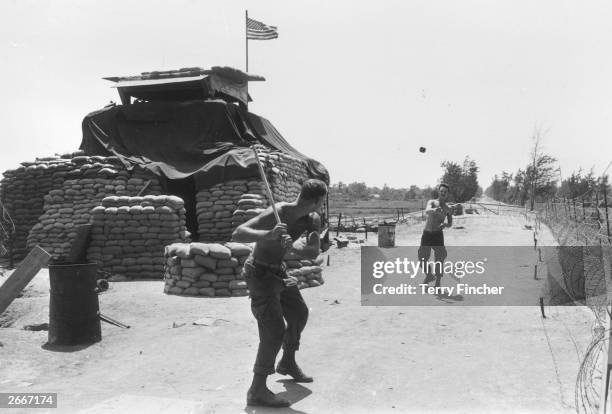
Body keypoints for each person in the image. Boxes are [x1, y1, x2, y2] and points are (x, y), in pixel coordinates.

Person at [232, 178, 328, 408]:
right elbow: (238, 233)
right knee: (274, 329)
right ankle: (257, 389)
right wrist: (269, 235)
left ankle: (287, 361)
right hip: (260, 272)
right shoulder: (279, 212)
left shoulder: (313, 219)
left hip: (280, 272)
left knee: (299, 313)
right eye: (321, 202)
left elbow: (312, 252)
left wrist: (293, 248)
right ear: (317, 200)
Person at [419, 183, 453, 288]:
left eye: (445, 192)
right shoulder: (432, 202)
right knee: (422, 257)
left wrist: (445, 224)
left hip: (438, 235)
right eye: (441, 191)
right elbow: (427, 210)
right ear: (439, 192)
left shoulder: (447, 208)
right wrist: (434, 210)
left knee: (440, 258)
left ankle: (438, 282)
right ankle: (429, 275)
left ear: (447, 194)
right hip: (427, 233)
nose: (443, 193)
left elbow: (450, 223)